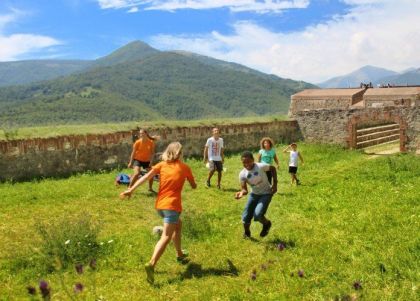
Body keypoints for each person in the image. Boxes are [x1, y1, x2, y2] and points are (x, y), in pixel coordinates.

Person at [120, 142, 197, 284]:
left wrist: (131, 189)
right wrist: (191, 182)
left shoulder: (161, 165)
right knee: (166, 236)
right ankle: (152, 263)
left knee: (178, 225)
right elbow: (193, 186)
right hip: (172, 207)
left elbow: (145, 177)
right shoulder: (185, 168)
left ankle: (179, 254)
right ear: (179, 153)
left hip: (160, 206)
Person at [235, 151, 277, 239]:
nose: (247, 164)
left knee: (258, 214)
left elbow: (273, 168)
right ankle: (247, 233)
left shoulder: (260, 166)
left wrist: (274, 184)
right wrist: (241, 193)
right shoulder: (242, 174)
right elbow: (245, 190)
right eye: (244, 162)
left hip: (266, 193)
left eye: (249, 161)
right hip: (254, 194)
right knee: (245, 217)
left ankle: (267, 224)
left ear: (253, 160)